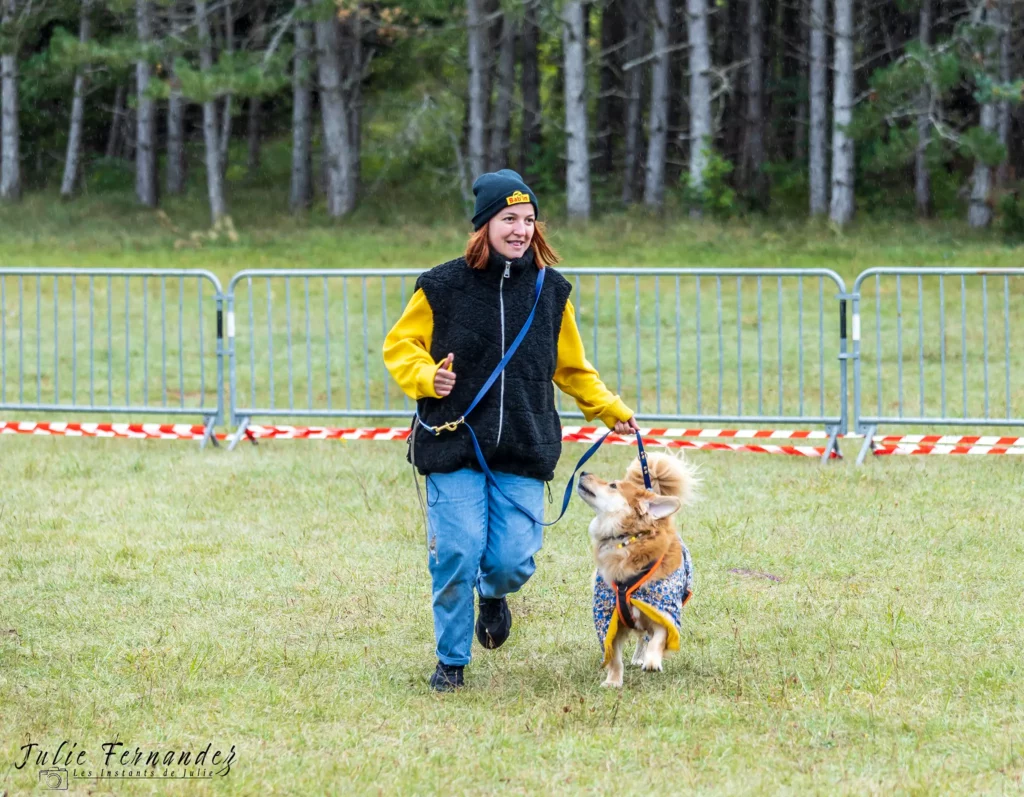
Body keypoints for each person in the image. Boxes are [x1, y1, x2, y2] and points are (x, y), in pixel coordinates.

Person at [383, 169, 638, 691]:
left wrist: (609, 407)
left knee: (511, 563)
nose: (520, 230)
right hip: (452, 441)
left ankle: (493, 596)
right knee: (456, 551)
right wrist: (428, 376)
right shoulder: (440, 285)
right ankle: (451, 663)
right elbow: (399, 348)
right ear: (484, 226)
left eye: (527, 220)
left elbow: (571, 367)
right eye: (508, 219)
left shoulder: (551, 292)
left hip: (523, 445)